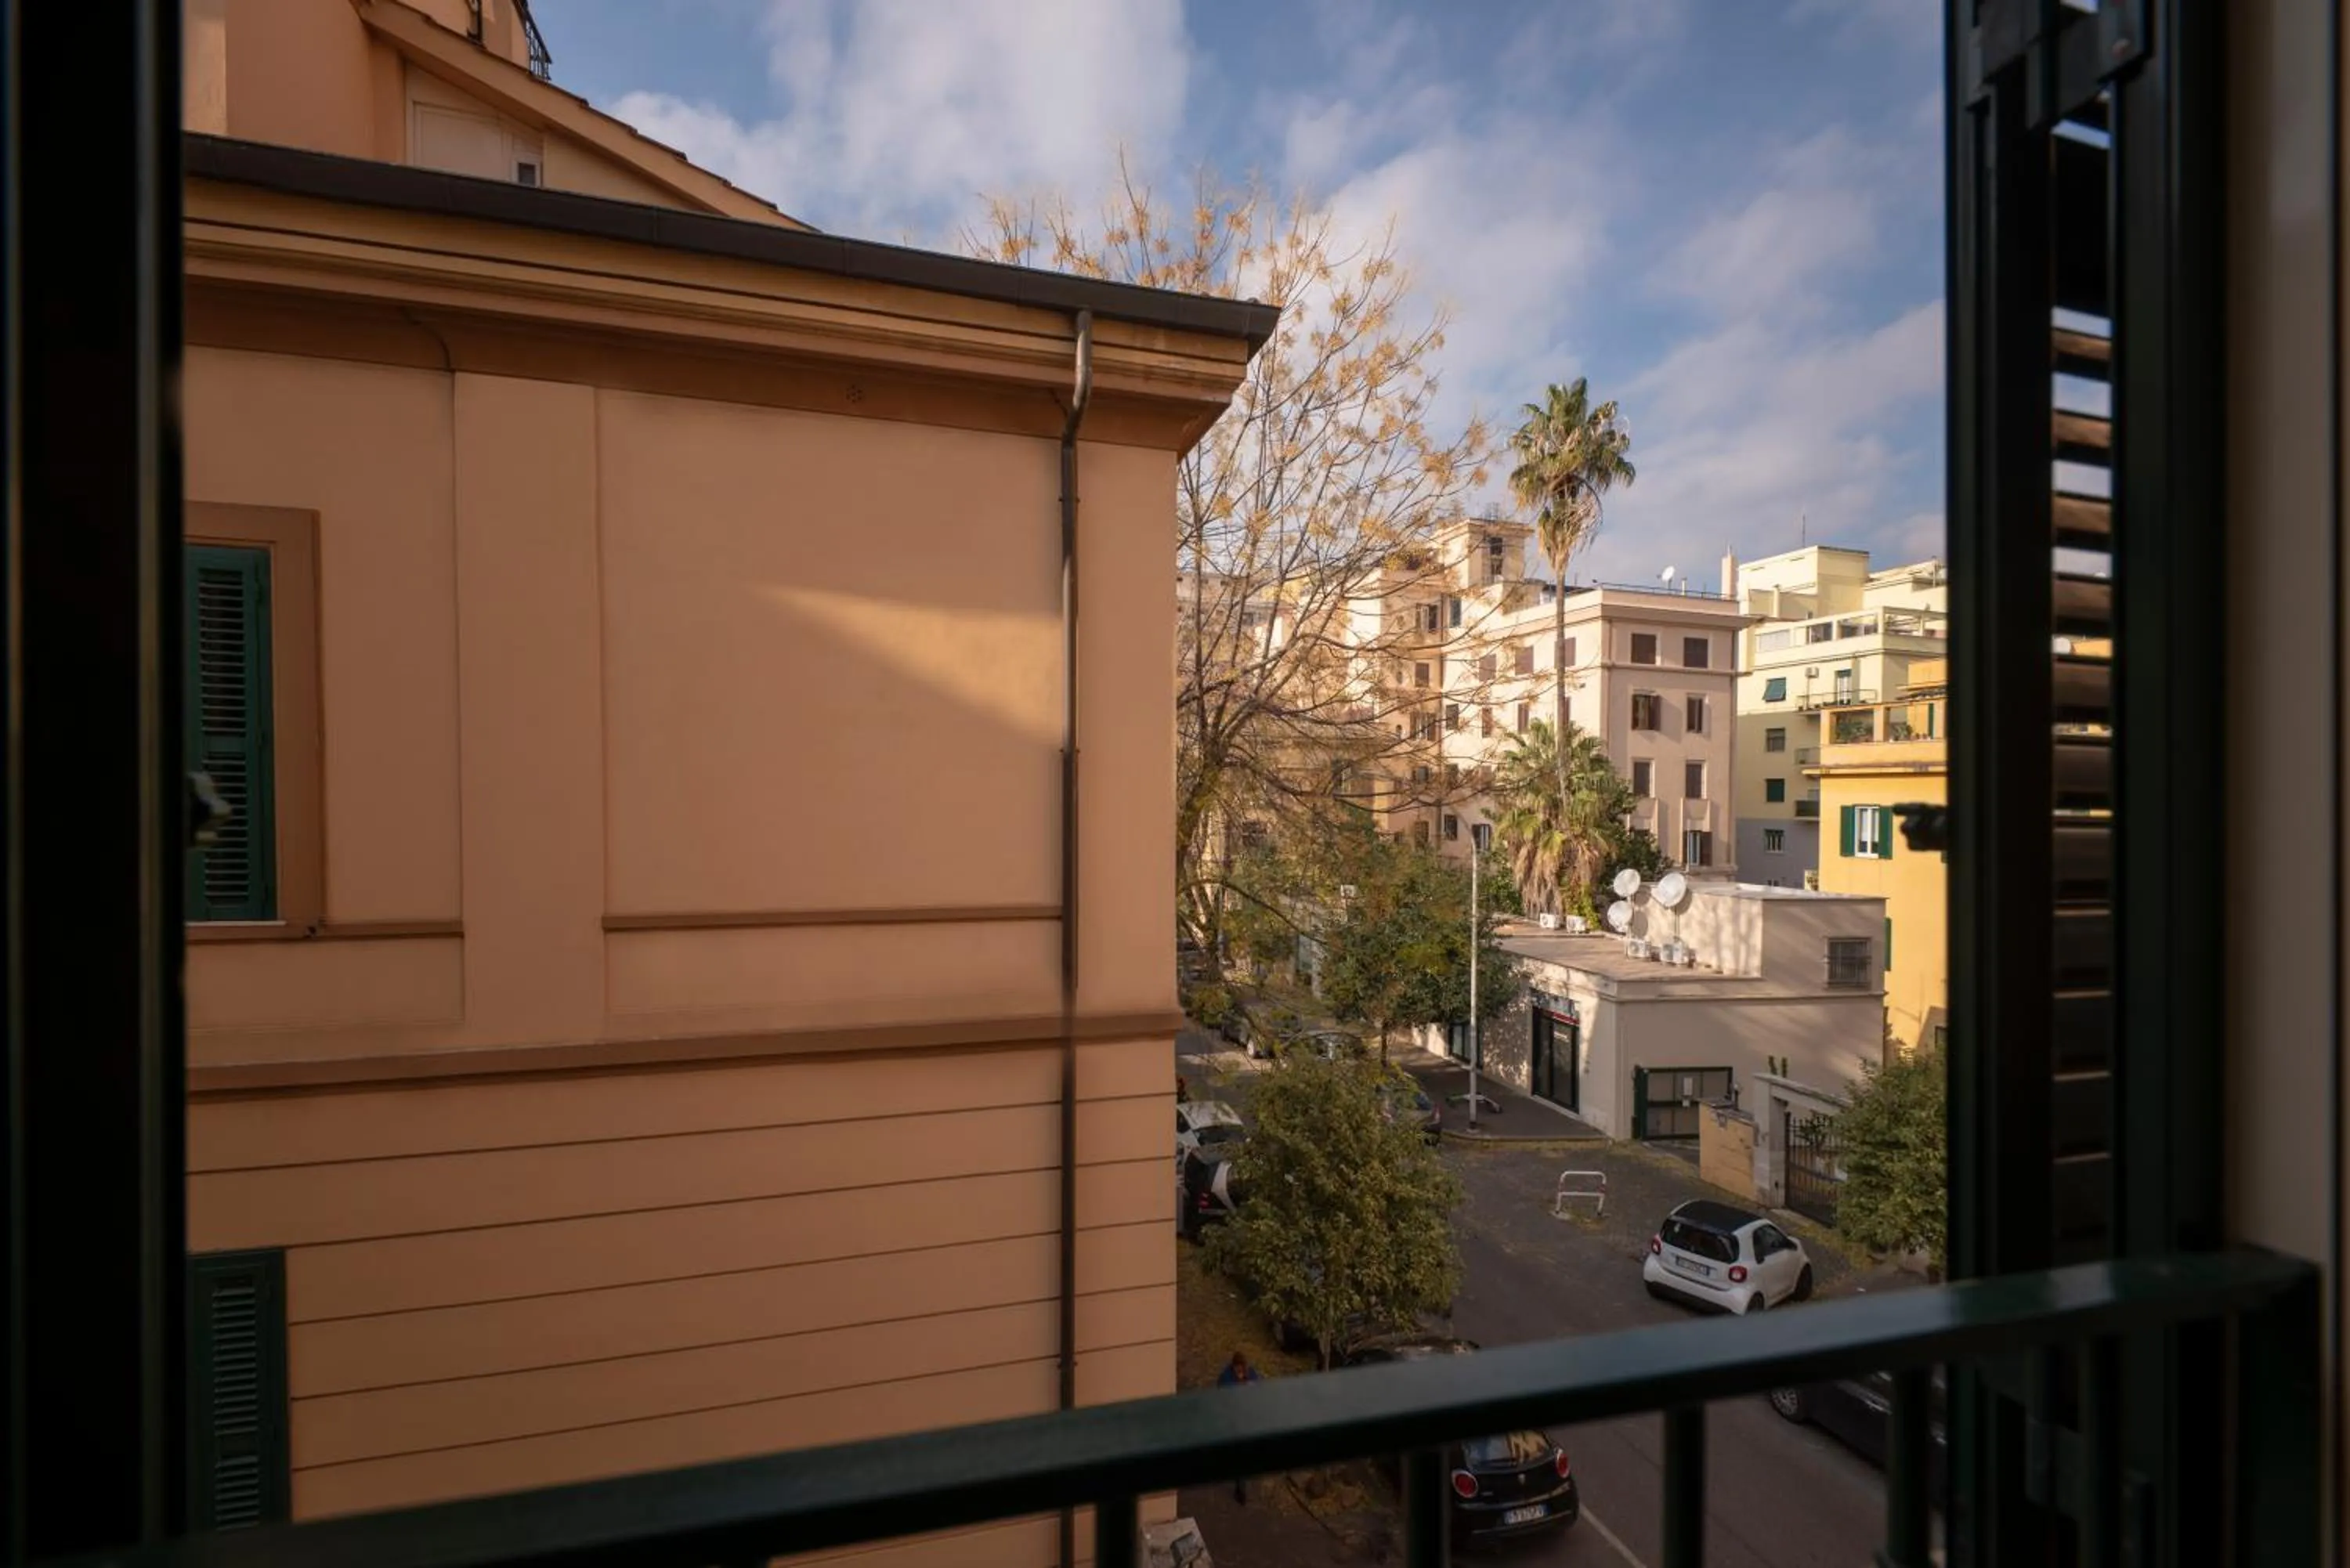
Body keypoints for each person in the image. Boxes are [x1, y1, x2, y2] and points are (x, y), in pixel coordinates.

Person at [1216, 1350, 1264, 1502]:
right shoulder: (1226, 1378)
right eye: (1238, 1370)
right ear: (1234, 1366)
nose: (1241, 1372)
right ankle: (1240, 1488)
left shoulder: (1251, 1374)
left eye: (1243, 1369)